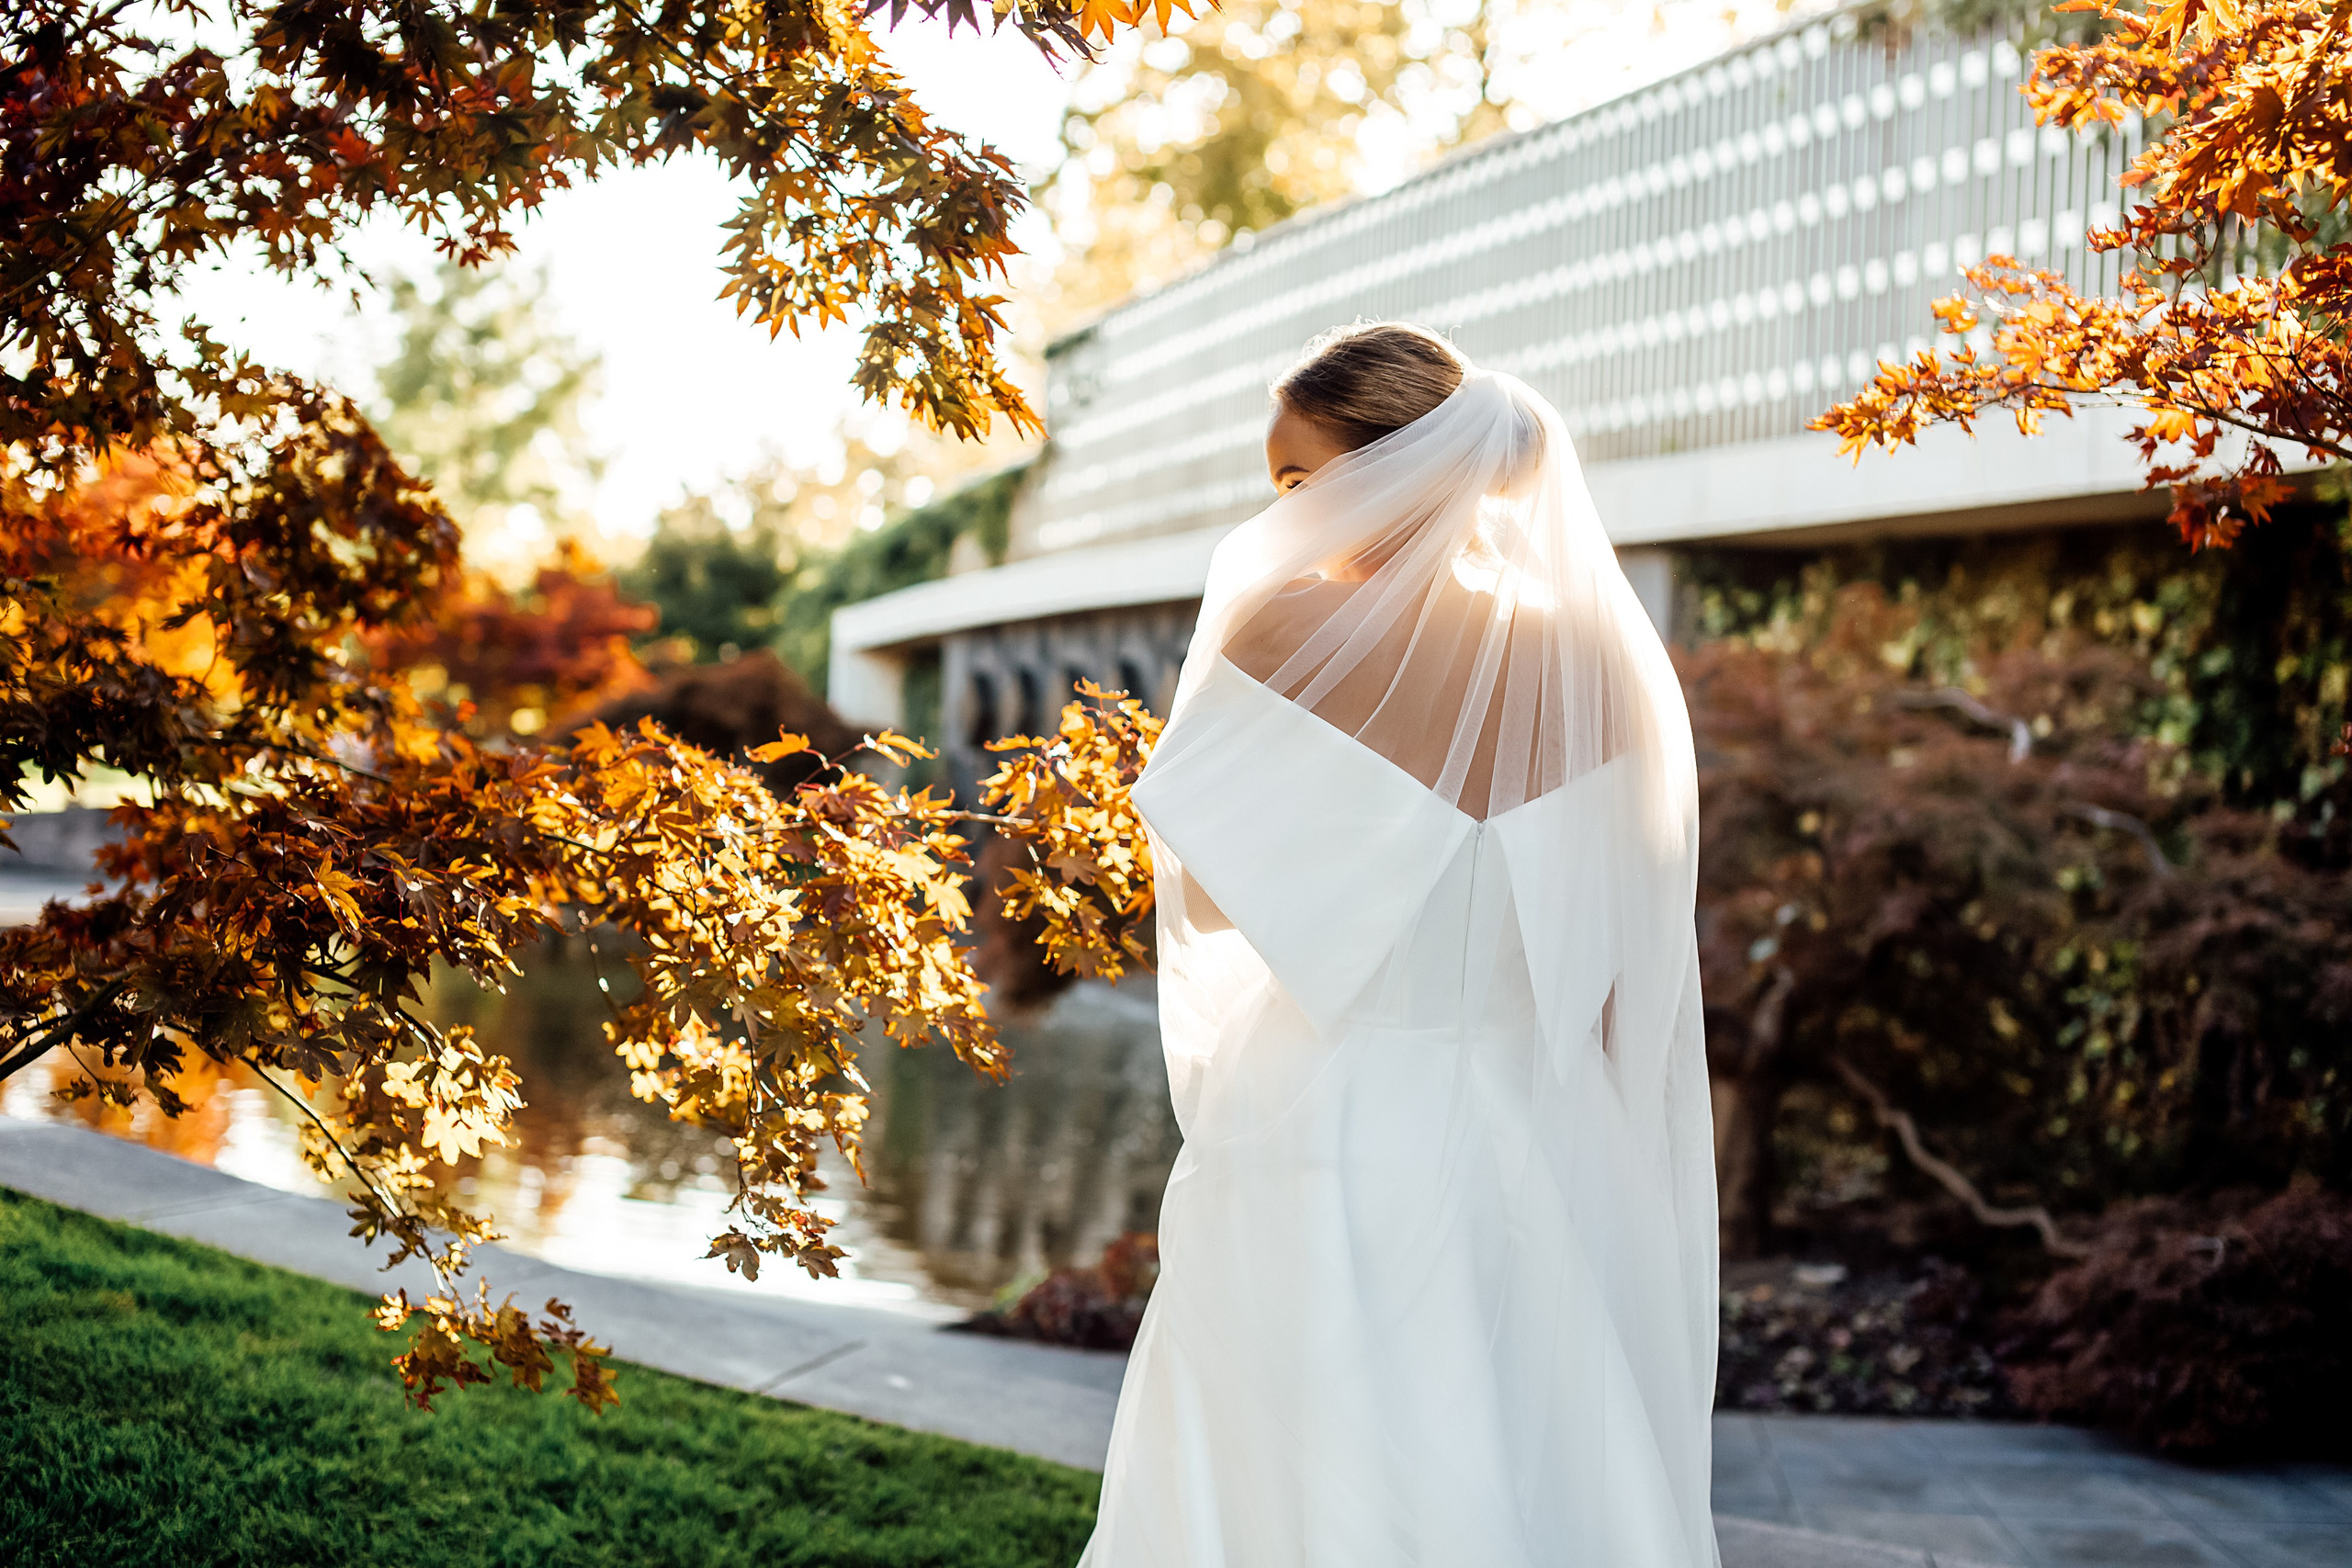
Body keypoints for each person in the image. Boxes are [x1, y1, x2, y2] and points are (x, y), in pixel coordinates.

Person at [1080, 322, 1720, 1568]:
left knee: (1293, 1470)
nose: (1287, 516)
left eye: (1300, 480)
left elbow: (1208, 903)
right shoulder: (1600, 661)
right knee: (1515, 1452)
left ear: (1400, 470)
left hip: (1328, 1114)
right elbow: (1622, 949)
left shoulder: (1280, 630)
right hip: (1539, 1124)